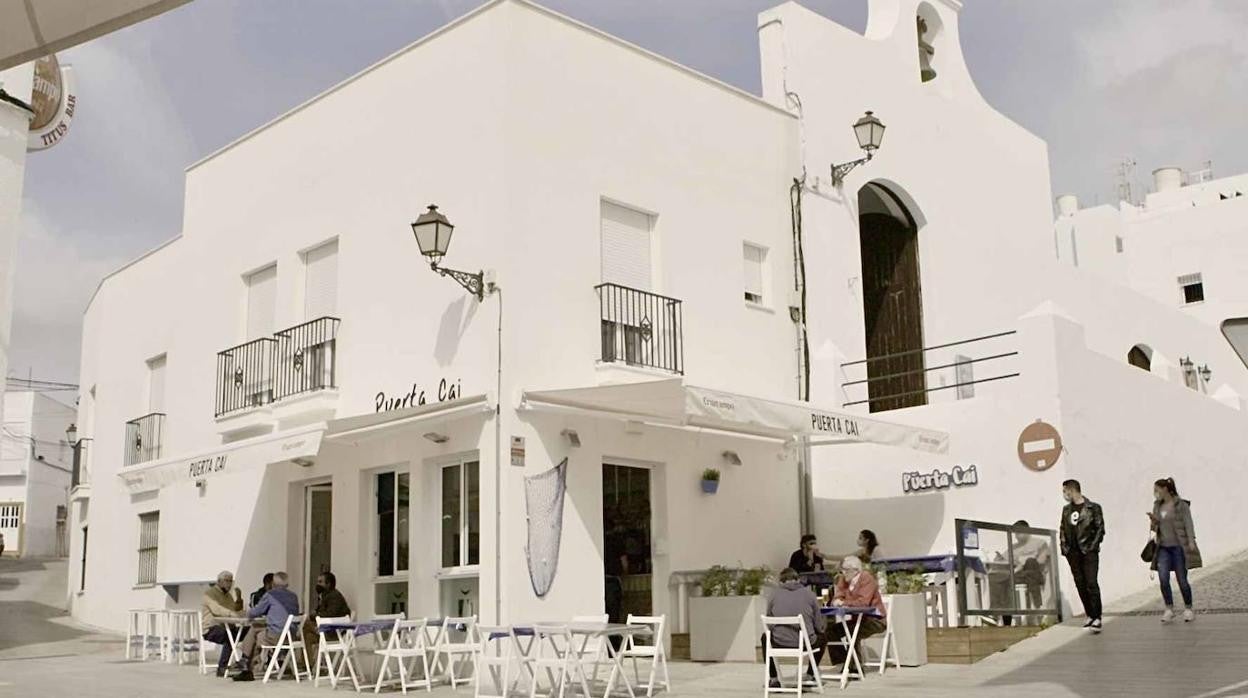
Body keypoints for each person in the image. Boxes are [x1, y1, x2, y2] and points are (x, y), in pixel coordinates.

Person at [761, 567, 826, 689]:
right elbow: (819, 625)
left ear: (781, 581)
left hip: (780, 642)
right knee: (823, 637)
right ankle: (811, 674)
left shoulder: (773, 595)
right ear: (798, 580)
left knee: (765, 637)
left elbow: (769, 623)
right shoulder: (809, 594)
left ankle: (774, 678)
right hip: (805, 643)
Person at [1149, 477, 1201, 623]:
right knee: (1163, 578)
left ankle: (1189, 608)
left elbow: (1188, 523)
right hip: (1163, 547)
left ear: (1165, 489)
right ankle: (1169, 608)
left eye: (1156, 490)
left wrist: (1191, 540)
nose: (1155, 493)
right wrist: (1154, 522)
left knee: (1182, 580)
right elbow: (1155, 528)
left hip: (1178, 547)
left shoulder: (1180, 505)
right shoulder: (1157, 506)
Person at [234, 571, 301, 682]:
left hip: (276, 637)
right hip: (291, 637)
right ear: (287, 584)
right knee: (258, 634)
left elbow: (255, 612)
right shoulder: (293, 596)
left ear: (273, 584)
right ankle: (247, 666)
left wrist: (245, 613)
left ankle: (245, 663)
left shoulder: (270, 595)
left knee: (254, 629)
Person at [1059, 479, 1105, 633]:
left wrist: (1092, 547)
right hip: (1073, 553)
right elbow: (1062, 530)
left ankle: (1097, 616)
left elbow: (1100, 529)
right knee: (1080, 583)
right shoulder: (1066, 510)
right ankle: (1090, 614)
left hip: (1088, 552)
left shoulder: (1093, 508)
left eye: (1065, 491)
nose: (1064, 494)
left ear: (1072, 491)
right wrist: (1064, 548)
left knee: (1091, 582)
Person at [825, 556, 887, 667]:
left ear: (855, 570)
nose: (843, 572)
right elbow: (837, 598)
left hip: (875, 620)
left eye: (845, 570)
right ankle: (844, 662)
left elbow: (863, 603)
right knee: (830, 631)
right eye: (842, 569)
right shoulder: (843, 579)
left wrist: (843, 602)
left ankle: (853, 668)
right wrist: (836, 601)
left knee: (853, 632)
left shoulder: (866, 578)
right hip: (857, 620)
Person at [201, 570, 246, 677]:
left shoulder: (229, 596)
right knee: (228, 635)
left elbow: (235, 609)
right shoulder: (209, 594)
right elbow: (217, 609)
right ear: (219, 581)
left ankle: (246, 663)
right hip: (211, 629)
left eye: (230, 581)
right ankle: (222, 668)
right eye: (226, 581)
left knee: (250, 631)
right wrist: (232, 613)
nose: (229, 584)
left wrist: (239, 599)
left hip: (229, 627)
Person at [303, 571, 352, 658]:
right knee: (307, 637)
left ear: (328, 584)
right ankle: (308, 666)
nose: (318, 584)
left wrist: (314, 615)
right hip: (327, 631)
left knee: (305, 624)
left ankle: (298, 634)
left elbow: (330, 614)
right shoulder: (324, 595)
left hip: (335, 632)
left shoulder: (334, 596)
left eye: (320, 582)